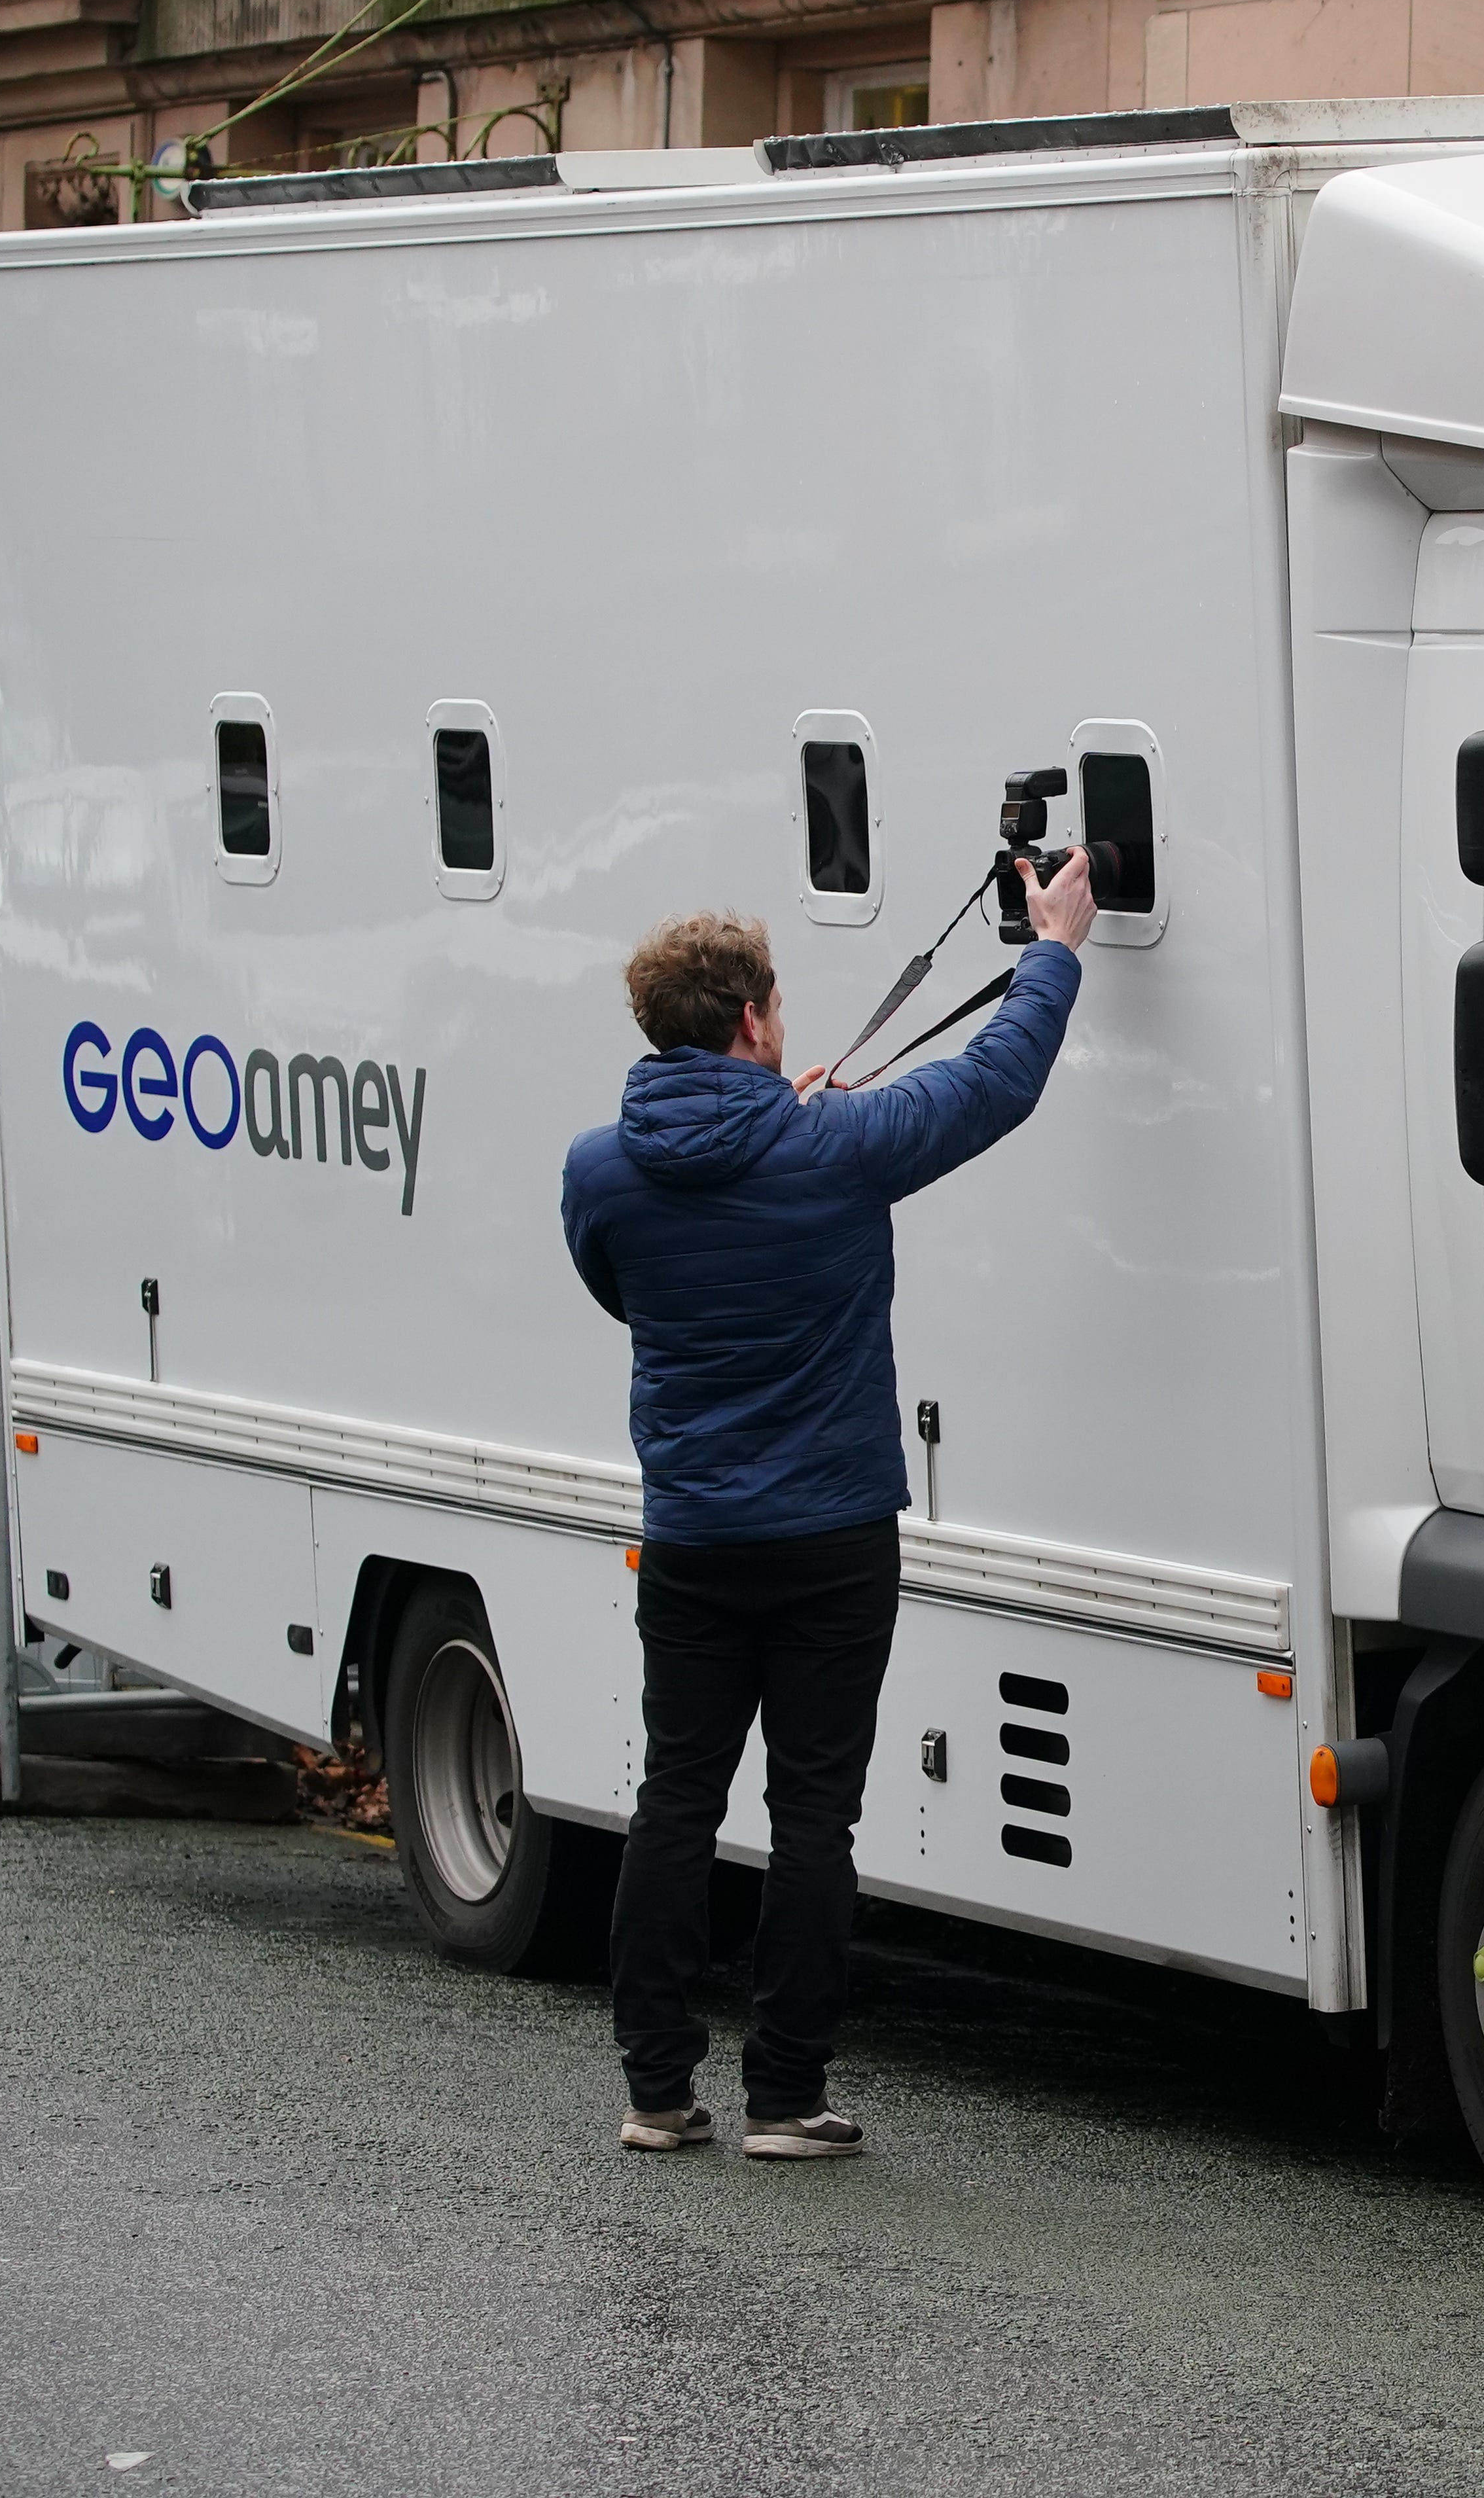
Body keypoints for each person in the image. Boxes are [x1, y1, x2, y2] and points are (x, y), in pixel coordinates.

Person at [560, 855, 1093, 2160]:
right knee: (813, 1816)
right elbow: (993, 1084)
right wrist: (1055, 948)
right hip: (831, 1536)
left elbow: (622, 1290)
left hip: (691, 1534)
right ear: (753, 1021)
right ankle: (787, 2098)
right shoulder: (838, 1144)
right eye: (780, 1005)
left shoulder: (599, 1169)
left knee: (675, 1800)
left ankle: (655, 2091)